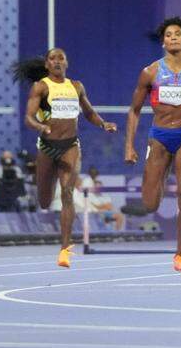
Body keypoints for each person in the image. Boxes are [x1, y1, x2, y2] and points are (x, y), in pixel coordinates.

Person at [124, 17, 181, 273]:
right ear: (163, 42)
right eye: (168, 35)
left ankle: (179, 254)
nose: (173, 38)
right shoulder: (150, 72)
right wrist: (129, 146)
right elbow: (134, 110)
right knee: (151, 203)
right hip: (159, 136)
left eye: (177, 34)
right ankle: (157, 180)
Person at [13, 48, 117, 267]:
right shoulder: (40, 87)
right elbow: (28, 118)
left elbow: (88, 112)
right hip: (47, 147)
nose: (57, 61)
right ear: (47, 65)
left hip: (70, 146)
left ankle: (65, 249)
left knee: (67, 194)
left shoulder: (76, 86)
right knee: (45, 200)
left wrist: (103, 123)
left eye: (61, 58)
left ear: (67, 63)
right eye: (53, 58)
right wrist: (41, 126)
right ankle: (49, 202)